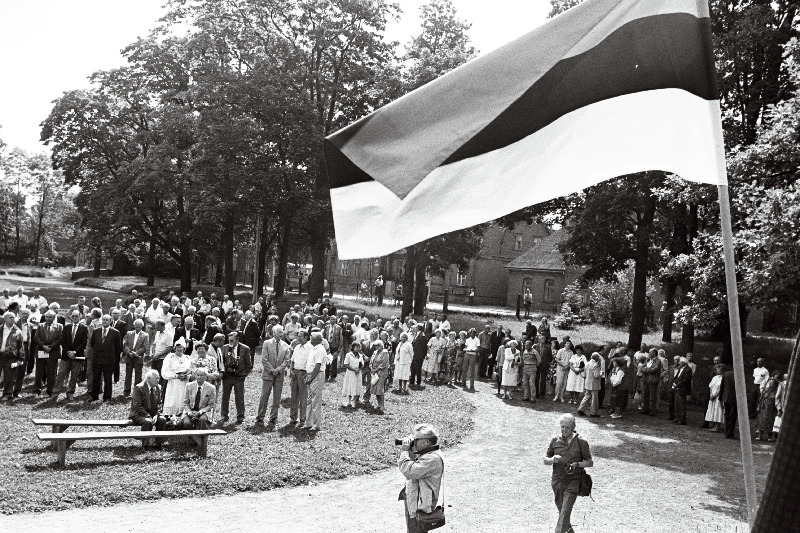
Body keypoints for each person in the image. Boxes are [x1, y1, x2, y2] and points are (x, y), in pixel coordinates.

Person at [544, 413, 593, 533]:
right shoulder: (555, 440)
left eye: (567, 427)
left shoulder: (581, 442)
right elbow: (545, 459)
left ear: (573, 427)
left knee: (565, 512)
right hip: (557, 481)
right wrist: (552, 459)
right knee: (563, 514)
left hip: (573, 482)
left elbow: (590, 462)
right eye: (562, 427)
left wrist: (577, 464)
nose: (564, 430)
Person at [397, 423, 444, 533]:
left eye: (417, 440)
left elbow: (409, 471)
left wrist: (404, 451)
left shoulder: (432, 459)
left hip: (421, 508)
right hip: (416, 504)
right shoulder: (428, 454)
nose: (414, 442)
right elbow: (414, 463)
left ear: (427, 441)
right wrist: (411, 450)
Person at [256, 325, 291, 427]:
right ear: (274, 333)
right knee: (264, 396)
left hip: (279, 375)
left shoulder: (285, 345)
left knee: (277, 398)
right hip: (268, 374)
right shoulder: (266, 343)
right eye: (280, 332)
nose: (282, 334)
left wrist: (278, 370)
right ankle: (260, 417)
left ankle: (273, 418)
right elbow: (264, 359)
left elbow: (286, 360)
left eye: (282, 332)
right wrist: (272, 370)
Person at [129, 369, 167, 450]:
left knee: (162, 420)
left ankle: (159, 443)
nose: (158, 380)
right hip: (138, 414)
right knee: (147, 421)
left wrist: (157, 415)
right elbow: (137, 406)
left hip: (152, 413)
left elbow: (159, 404)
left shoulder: (158, 387)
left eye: (158, 378)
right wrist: (148, 416)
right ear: (148, 379)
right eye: (156, 378)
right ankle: (145, 445)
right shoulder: (139, 388)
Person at [219, 331, 252, 424]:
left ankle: (240, 416)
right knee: (225, 396)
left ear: (237, 339)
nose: (230, 342)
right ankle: (224, 415)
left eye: (232, 340)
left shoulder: (245, 349)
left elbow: (248, 364)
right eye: (229, 340)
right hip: (227, 376)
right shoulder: (225, 348)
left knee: (239, 396)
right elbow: (222, 362)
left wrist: (243, 375)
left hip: (239, 377)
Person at [35, 310, 63, 397]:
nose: (47, 318)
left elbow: (60, 338)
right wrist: (43, 346)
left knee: (51, 372)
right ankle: (37, 390)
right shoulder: (40, 325)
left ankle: (50, 390)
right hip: (41, 350)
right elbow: (36, 337)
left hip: (53, 352)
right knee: (39, 371)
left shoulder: (59, 326)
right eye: (46, 317)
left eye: (50, 317)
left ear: (54, 318)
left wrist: (50, 347)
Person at [161, 340, 192, 416]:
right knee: (173, 400)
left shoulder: (187, 358)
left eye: (181, 347)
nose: (179, 349)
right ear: (174, 348)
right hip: (173, 383)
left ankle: (182, 418)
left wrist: (187, 376)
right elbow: (164, 372)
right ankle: (171, 418)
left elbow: (191, 370)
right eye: (177, 347)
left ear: (184, 349)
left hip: (185, 383)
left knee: (183, 399)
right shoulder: (170, 357)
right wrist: (176, 376)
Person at [304, 331, 327, 431]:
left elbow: (317, 367)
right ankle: (309, 422)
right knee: (309, 400)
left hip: (316, 375)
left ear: (318, 340)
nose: (310, 340)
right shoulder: (313, 348)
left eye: (312, 339)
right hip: (311, 374)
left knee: (315, 400)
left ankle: (316, 424)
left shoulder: (320, 350)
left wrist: (310, 378)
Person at [121, 319, 149, 397]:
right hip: (129, 357)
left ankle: (136, 392)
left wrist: (136, 353)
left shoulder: (145, 335)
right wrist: (129, 352)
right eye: (136, 327)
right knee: (128, 375)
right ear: (134, 326)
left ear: (142, 327)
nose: (137, 329)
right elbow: (125, 344)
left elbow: (145, 347)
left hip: (138, 357)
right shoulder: (129, 333)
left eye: (139, 327)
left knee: (138, 376)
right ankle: (126, 391)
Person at [0, 312, 24, 401]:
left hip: (10, 357)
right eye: (11, 317)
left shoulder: (18, 331)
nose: (13, 319)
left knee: (9, 376)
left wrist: (20, 359)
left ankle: (7, 394)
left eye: (14, 317)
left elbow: (20, 346)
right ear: (5, 319)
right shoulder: (0, 329)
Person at [289, 329, 311, 426]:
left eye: (300, 336)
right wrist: (291, 370)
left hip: (304, 373)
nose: (298, 338)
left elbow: (311, 363)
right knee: (294, 396)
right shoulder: (297, 347)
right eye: (297, 336)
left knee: (303, 397)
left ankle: (302, 419)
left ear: (306, 337)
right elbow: (292, 360)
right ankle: (293, 417)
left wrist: (307, 373)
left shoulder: (310, 348)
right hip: (295, 373)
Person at [756, 371, 780, 442]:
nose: (771, 384)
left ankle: (770, 435)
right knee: (761, 421)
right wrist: (758, 406)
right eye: (770, 383)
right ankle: (760, 434)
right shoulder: (765, 390)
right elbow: (761, 399)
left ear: (775, 384)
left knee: (770, 422)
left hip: (772, 409)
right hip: (763, 408)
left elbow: (778, 400)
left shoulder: (777, 391)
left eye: (772, 383)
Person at [577, 353, 602, 417]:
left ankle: (581, 409)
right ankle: (594, 412)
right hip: (594, 383)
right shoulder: (596, 365)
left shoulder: (587, 363)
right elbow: (596, 376)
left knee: (586, 396)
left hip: (587, 382)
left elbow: (584, 374)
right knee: (594, 398)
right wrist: (601, 373)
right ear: (596, 358)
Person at [639, 348, 662, 415]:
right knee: (645, 395)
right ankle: (645, 409)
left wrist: (646, 369)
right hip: (645, 379)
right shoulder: (647, 360)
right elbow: (642, 368)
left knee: (653, 396)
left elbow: (655, 369)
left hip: (653, 380)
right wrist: (647, 369)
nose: (649, 353)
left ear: (654, 353)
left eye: (650, 352)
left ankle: (653, 410)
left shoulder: (658, 361)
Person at [341, 341, 363, 407]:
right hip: (350, 373)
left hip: (358, 373)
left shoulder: (360, 356)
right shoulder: (348, 355)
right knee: (350, 386)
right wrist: (353, 370)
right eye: (356, 347)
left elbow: (362, 364)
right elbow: (345, 364)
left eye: (359, 347)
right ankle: (349, 401)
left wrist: (358, 369)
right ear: (353, 347)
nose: (358, 348)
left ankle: (354, 401)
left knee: (357, 386)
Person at [672, 357, 692, 425]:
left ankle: (682, 419)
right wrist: (674, 383)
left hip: (683, 389)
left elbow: (685, 380)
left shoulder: (688, 370)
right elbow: (677, 377)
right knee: (677, 404)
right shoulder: (681, 368)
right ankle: (677, 418)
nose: (678, 362)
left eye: (680, 361)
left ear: (683, 362)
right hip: (678, 388)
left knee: (681, 405)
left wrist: (677, 385)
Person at [370, 341, 390, 413]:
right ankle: (379, 404)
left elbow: (385, 363)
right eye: (375, 346)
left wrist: (376, 369)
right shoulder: (375, 352)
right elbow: (371, 361)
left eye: (378, 345)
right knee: (376, 389)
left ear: (381, 345)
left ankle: (382, 406)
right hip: (375, 373)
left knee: (380, 389)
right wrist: (372, 368)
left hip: (381, 372)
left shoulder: (385, 352)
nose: (377, 347)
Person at [719, 364, 737, 439]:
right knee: (732, 417)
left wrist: (720, 398)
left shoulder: (726, 374)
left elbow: (722, 387)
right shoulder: (738, 375)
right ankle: (729, 433)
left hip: (726, 397)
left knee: (727, 415)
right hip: (734, 399)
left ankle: (727, 432)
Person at [705, 364, 724, 432]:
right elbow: (711, 386)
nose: (717, 370)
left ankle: (717, 426)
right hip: (712, 396)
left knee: (718, 410)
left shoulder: (723, 378)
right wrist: (711, 395)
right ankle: (714, 425)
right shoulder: (715, 377)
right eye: (717, 369)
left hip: (718, 396)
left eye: (719, 369)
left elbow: (721, 389)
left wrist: (715, 395)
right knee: (713, 410)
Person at [535, 335, 552, 399]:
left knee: (543, 380)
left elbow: (550, 357)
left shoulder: (548, 347)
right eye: (542, 338)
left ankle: (542, 394)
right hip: (537, 365)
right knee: (536, 379)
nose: (544, 339)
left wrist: (546, 362)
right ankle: (536, 393)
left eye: (544, 338)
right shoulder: (535, 346)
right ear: (539, 339)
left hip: (544, 366)